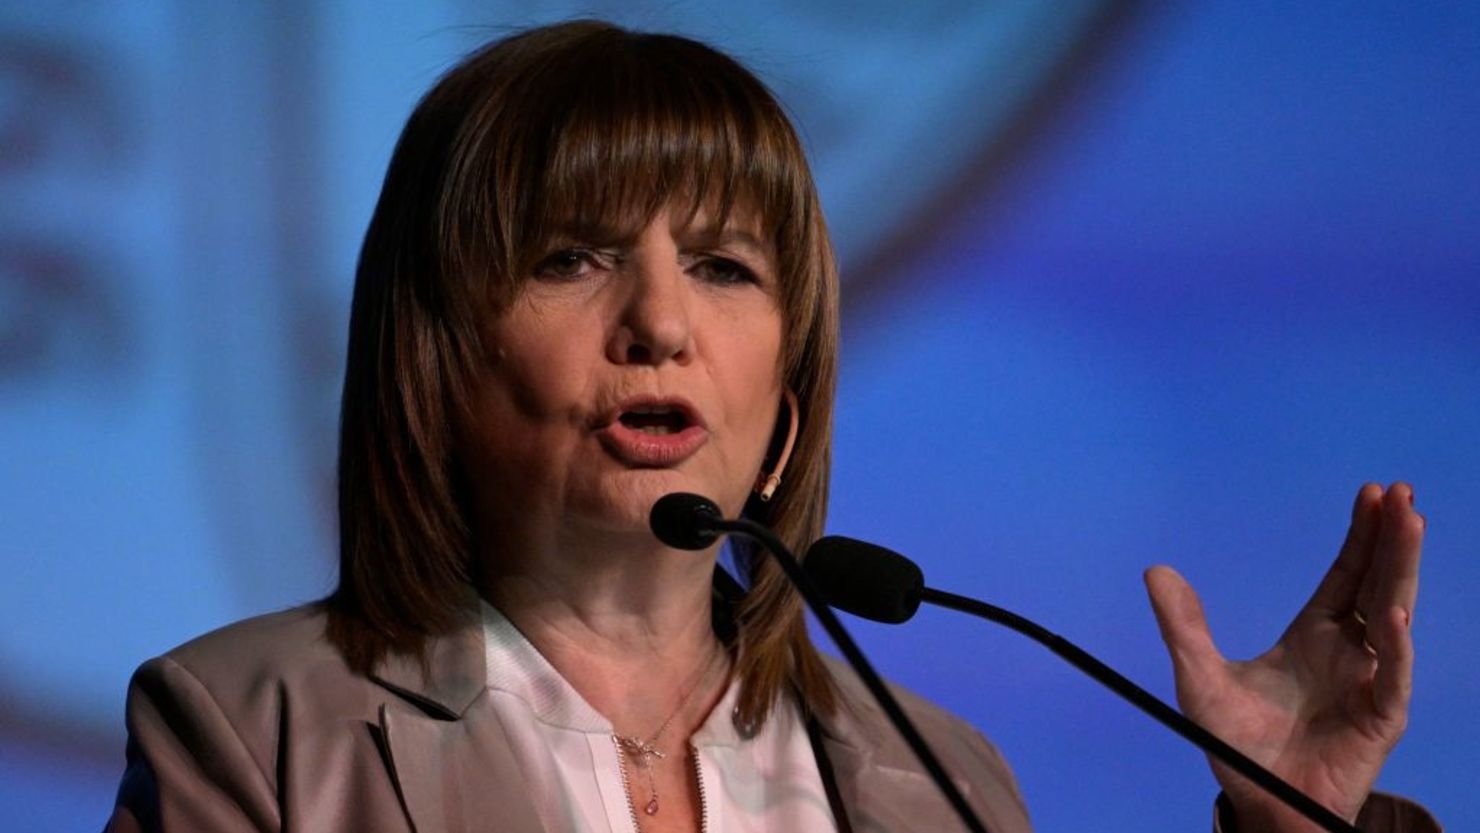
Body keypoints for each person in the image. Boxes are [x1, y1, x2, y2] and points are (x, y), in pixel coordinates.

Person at [105, 20, 1435, 833]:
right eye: (573, 257)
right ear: (435, 353)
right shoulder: (253, 731)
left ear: (788, 408)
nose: (660, 323)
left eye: (725, 268)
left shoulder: (946, 783)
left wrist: (1294, 826)